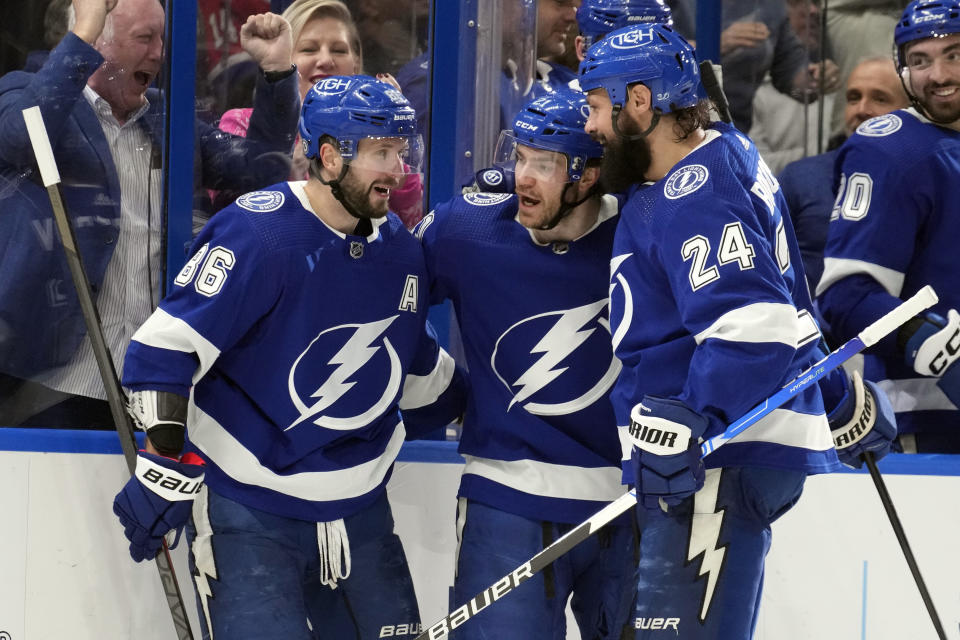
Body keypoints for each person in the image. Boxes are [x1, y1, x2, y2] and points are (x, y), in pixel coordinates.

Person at [111, 75, 466, 639]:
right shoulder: (258, 233)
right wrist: (161, 464)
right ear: (328, 156)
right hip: (249, 509)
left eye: (401, 152)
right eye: (381, 153)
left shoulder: (398, 249)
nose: (397, 172)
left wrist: (492, 414)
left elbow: (409, 363)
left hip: (360, 511)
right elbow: (165, 348)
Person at [578, 22, 892, 637]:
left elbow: (754, 326)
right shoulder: (719, 155)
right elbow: (782, 308)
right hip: (714, 457)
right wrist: (834, 397)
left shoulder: (694, 189)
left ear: (638, 102)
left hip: (716, 459)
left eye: (595, 106)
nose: (590, 127)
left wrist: (696, 417)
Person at [0, 0, 300, 428]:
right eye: (144, 38)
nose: (159, 52)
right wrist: (80, 37)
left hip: (155, 382)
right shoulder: (24, 90)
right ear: (97, 38)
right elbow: (22, 138)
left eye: (162, 38)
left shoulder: (167, 117)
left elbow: (261, 174)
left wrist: (276, 74)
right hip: (51, 384)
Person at [415, 87, 636, 639]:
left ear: (587, 176)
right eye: (519, 157)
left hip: (630, 497)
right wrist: (443, 389)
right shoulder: (468, 228)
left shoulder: (643, 231)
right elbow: (376, 291)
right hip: (506, 498)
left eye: (544, 164)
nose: (522, 177)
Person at [817, 0, 960, 454]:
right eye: (920, 60)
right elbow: (847, 296)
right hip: (929, 414)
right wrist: (923, 336)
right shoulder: (889, 151)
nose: (937, 75)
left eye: (954, 54)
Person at [213, 0, 424, 228]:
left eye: (339, 50)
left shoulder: (374, 134)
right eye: (309, 49)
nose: (325, 60)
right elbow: (233, 219)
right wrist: (287, 166)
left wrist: (391, 137)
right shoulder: (240, 124)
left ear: (356, 64)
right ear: (283, 58)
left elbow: (409, 222)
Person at [778, 56, 908, 291]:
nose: (862, 110)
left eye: (880, 99)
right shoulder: (799, 177)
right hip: (808, 324)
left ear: (910, 111)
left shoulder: (928, 178)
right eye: (853, 98)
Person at [667, 0, 841, 133]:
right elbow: (647, 51)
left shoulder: (771, 6)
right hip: (671, 127)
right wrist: (713, 46)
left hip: (732, 133)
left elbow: (791, 74)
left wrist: (815, 78)